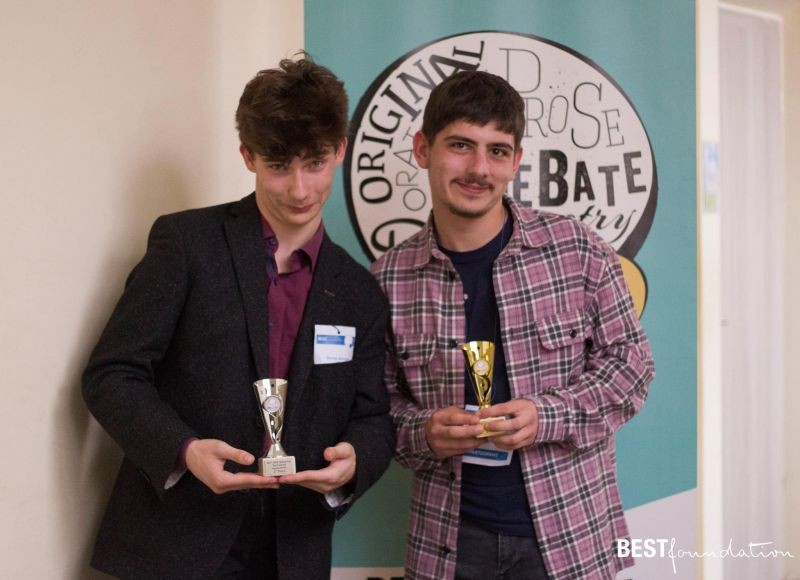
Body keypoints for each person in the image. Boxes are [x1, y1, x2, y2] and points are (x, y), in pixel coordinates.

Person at [82, 56, 394, 580]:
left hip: (293, 550)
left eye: (315, 163)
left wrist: (356, 459)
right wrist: (184, 451)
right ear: (248, 155)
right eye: (278, 165)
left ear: (340, 150)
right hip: (175, 544)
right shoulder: (187, 244)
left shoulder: (359, 292)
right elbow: (112, 374)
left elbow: (374, 418)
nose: (299, 189)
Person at [370, 70, 655, 580]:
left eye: (497, 151)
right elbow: (377, 409)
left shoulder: (577, 249)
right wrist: (425, 432)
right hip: (448, 545)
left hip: (572, 537)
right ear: (422, 149)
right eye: (461, 145)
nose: (479, 168)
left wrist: (547, 415)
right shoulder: (386, 280)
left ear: (517, 160)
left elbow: (632, 369)